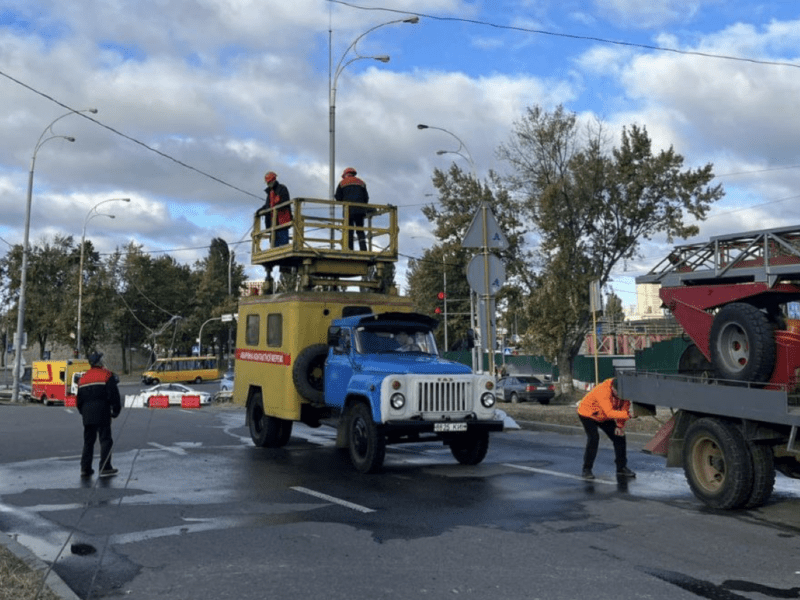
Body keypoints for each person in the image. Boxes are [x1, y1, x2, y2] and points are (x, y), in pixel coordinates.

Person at [577, 377, 635, 479]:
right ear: (613, 388)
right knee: (594, 438)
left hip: (605, 416)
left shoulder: (625, 392)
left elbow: (624, 408)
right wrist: (629, 415)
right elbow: (610, 412)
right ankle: (587, 469)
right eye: (618, 393)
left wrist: (619, 426)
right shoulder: (603, 390)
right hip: (588, 414)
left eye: (622, 394)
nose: (620, 396)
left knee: (620, 437)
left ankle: (621, 467)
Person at [76, 352, 121, 477]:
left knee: (88, 442)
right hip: (102, 412)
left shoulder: (83, 378)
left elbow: (78, 400)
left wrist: (83, 412)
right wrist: (116, 410)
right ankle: (105, 467)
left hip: (87, 415)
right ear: (99, 362)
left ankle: (85, 468)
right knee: (105, 440)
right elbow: (114, 395)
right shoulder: (106, 375)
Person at [334, 167, 369, 251]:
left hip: (348, 211)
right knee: (360, 229)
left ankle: (350, 248)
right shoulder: (361, 182)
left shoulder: (342, 183)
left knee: (349, 230)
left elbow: (338, 197)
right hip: (360, 210)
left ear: (345, 175)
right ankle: (363, 249)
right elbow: (366, 198)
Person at [257, 171, 292, 247]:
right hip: (273, 224)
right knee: (274, 245)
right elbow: (268, 205)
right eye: (267, 182)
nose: (268, 184)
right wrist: (260, 210)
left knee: (283, 245)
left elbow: (285, 202)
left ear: (274, 180)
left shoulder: (282, 189)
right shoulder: (270, 193)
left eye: (269, 182)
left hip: (282, 222)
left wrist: (276, 205)